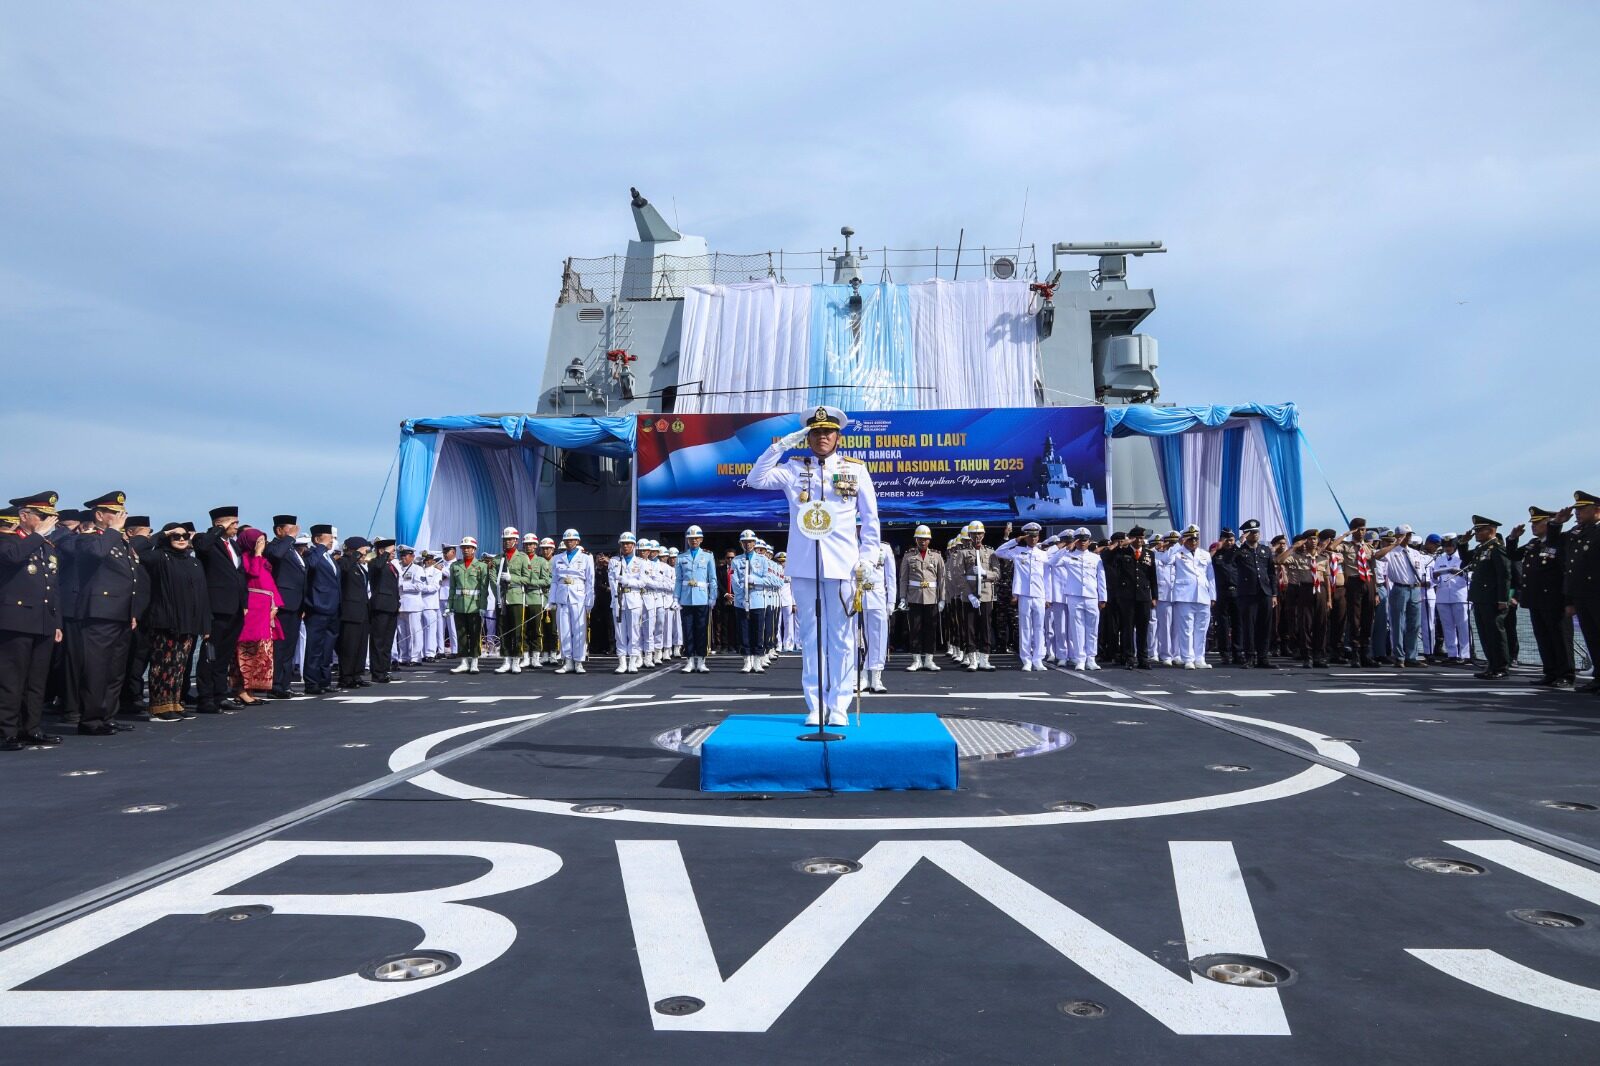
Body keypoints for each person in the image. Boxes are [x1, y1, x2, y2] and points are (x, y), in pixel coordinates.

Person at [747, 403, 881, 727]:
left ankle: (839, 705)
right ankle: (816, 704)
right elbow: (755, 478)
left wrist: (867, 560)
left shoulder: (855, 470)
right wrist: (782, 444)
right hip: (805, 565)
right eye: (816, 432)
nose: (823, 437)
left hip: (843, 567)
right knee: (810, 637)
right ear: (808, 437)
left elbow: (872, 521)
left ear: (838, 436)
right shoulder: (793, 469)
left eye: (828, 432)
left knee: (841, 638)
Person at [58, 491, 144, 734]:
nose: (121, 516)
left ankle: (107, 715)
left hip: (121, 613)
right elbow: (95, 554)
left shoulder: (117, 540)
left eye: (122, 512)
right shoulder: (89, 538)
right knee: (96, 668)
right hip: (99, 612)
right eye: (116, 513)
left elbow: (131, 578)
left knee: (115, 670)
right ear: (99, 515)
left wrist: (132, 610)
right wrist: (113, 530)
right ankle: (91, 719)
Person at [0, 492, 64, 749]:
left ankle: (31, 727)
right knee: (11, 679)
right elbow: (11, 558)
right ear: (24, 516)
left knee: (37, 680)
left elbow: (52, 586)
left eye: (51, 517)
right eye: (44, 516)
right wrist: (38, 535)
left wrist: (57, 621)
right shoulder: (7, 540)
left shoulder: (45, 546)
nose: (49, 521)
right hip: (16, 619)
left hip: (43, 620)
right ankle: (6, 731)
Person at [1507, 507, 1573, 686]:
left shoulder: (1560, 541)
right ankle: (1550, 672)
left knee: (1559, 638)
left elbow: (1565, 571)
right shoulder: (1533, 544)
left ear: (1550, 522)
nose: (1534, 526)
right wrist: (1513, 538)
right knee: (1543, 637)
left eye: (1538, 523)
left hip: (1554, 599)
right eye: (1533, 523)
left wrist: (1568, 599)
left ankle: (1565, 674)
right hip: (1535, 599)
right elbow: (1512, 555)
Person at [192, 506, 249, 713]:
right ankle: (206, 697)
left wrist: (244, 603)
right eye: (233, 523)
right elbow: (203, 548)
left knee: (224, 655)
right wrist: (217, 530)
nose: (236, 527)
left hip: (234, 606)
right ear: (221, 524)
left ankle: (220, 694)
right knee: (210, 654)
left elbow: (239, 574)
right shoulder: (205, 539)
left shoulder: (233, 545)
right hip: (216, 606)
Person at [233, 527, 283, 704]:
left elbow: (269, 584)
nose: (262, 544)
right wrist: (258, 553)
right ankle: (241, 689)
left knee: (261, 652)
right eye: (258, 541)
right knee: (246, 649)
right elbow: (252, 574)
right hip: (252, 611)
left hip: (265, 610)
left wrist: (276, 604)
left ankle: (252, 688)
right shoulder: (245, 559)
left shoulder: (263, 561)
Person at [1458, 516, 1512, 680]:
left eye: (1480, 530)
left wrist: (1503, 598)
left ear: (1491, 531)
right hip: (1480, 597)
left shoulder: (1497, 548)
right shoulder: (1482, 549)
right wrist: (1463, 544)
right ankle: (1492, 664)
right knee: (1485, 633)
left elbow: (1504, 575)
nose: (1476, 534)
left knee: (1495, 633)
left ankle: (1501, 666)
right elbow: (1466, 560)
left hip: (1492, 598)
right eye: (1476, 531)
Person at [1374, 524, 1431, 668]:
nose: (1408, 537)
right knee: (1398, 623)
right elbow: (1377, 556)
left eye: (1410, 535)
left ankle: (1411, 656)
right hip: (1399, 588)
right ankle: (1399, 656)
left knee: (1414, 624)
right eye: (1406, 535)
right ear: (1399, 536)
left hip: (1415, 589)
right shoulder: (1391, 552)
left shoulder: (1415, 553)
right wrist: (1394, 544)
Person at [1049, 528, 1106, 670]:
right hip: (1074, 596)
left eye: (1084, 540)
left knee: (1092, 628)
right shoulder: (1068, 556)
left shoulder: (1095, 558)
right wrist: (1066, 549)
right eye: (1079, 540)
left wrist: (1103, 597)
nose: (1082, 543)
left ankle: (1091, 658)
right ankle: (1080, 658)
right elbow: (1052, 562)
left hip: (1092, 596)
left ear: (1089, 541)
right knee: (1077, 628)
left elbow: (1101, 579)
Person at [995, 522, 1049, 671]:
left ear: (1039, 537)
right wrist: (1016, 540)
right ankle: (1026, 660)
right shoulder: (1017, 551)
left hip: (1039, 594)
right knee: (1025, 628)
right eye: (1030, 536)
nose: (1033, 539)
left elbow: (1047, 578)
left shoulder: (1043, 554)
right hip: (1024, 594)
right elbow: (998, 552)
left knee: (1039, 628)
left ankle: (1038, 659)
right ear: (1026, 537)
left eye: (1035, 536)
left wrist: (1048, 597)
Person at [1104, 526, 1157, 669]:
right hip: (1126, 596)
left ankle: (1143, 658)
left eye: (1142, 538)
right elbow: (1106, 557)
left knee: (1143, 628)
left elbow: (1152, 576)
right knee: (1127, 628)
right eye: (1137, 538)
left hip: (1144, 595)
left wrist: (1154, 596)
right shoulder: (1122, 552)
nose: (1140, 540)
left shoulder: (1148, 554)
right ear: (1131, 538)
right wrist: (1120, 544)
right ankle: (1129, 657)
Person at [264, 515, 305, 699]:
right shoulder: (274, 546)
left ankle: (285, 683)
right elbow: (275, 555)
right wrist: (289, 537)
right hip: (283, 602)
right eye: (290, 529)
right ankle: (275, 684)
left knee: (290, 646)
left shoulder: (292, 550)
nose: (294, 533)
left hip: (296, 603)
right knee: (280, 646)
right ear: (279, 530)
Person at [1565, 490, 1600, 693]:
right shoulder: (1580, 533)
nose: (1577, 513)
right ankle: (1598, 677)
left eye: (1582, 509)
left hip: (1597, 593)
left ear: (1596, 510)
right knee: (1592, 637)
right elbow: (1570, 566)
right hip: (1583, 595)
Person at [899, 524, 947, 671]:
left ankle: (929, 660)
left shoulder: (937, 556)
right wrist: (902, 598)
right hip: (915, 597)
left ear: (929, 540)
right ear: (916, 539)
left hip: (932, 597)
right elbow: (903, 578)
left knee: (931, 629)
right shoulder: (909, 556)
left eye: (925, 539)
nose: (923, 542)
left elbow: (942, 579)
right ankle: (916, 660)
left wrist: (942, 598)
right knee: (915, 629)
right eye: (920, 539)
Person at [300, 524, 340, 695]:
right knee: (314, 647)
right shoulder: (312, 554)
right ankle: (312, 682)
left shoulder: (329, 557)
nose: (332, 540)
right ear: (317, 539)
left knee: (327, 648)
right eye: (328, 537)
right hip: (318, 607)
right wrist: (320, 546)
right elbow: (312, 566)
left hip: (333, 608)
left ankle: (324, 680)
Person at [1169, 525, 1216, 669]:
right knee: (1186, 629)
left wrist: (1213, 595)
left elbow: (1210, 576)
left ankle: (1199, 658)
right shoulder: (1177, 553)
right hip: (1184, 595)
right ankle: (1188, 658)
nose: (1194, 542)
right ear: (1185, 539)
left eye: (1196, 539)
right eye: (1190, 539)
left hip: (1203, 594)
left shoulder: (1205, 554)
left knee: (1201, 628)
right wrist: (1178, 545)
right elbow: (1165, 560)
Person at [1232, 520, 1277, 668]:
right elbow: (1228, 560)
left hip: (1265, 592)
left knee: (1265, 625)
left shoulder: (1265, 550)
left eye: (1257, 531)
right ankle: (1250, 657)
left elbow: (1271, 573)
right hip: (1247, 593)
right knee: (1249, 625)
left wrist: (1274, 594)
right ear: (1246, 534)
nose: (1255, 534)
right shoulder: (1240, 550)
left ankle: (1263, 657)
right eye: (1251, 532)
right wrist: (1239, 543)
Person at [550, 529, 594, 674]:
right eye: (567, 540)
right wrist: (552, 599)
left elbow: (590, 581)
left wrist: (589, 600)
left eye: (572, 540)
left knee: (579, 630)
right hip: (562, 595)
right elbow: (554, 581)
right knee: (564, 630)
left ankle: (579, 662)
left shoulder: (586, 558)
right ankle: (567, 661)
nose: (569, 542)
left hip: (578, 594)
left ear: (577, 541)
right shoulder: (557, 558)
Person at [676, 525, 716, 673]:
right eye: (691, 538)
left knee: (701, 630)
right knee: (687, 630)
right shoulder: (681, 557)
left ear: (701, 539)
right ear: (687, 540)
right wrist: (676, 597)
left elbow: (712, 578)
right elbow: (678, 580)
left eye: (696, 538)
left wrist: (713, 596)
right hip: (686, 599)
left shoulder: (708, 556)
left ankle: (701, 660)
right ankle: (689, 660)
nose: (694, 541)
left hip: (702, 598)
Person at [493, 528, 533, 674]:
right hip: (502, 597)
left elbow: (527, 578)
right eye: (505, 539)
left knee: (517, 629)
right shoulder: (498, 558)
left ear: (516, 541)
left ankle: (516, 659)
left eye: (510, 539)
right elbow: (492, 577)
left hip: (516, 597)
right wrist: (497, 589)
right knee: (503, 630)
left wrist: (512, 579)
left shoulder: (522, 557)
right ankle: (505, 659)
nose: (507, 542)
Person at [448, 537, 491, 673]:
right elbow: (452, 588)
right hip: (460, 605)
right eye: (464, 547)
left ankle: (474, 662)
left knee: (474, 634)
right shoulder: (455, 566)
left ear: (474, 549)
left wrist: (483, 606)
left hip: (475, 605)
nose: (466, 550)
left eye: (468, 547)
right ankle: (463, 662)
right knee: (461, 634)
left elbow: (484, 589)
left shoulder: (481, 566)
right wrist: (449, 605)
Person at [335, 537, 372, 688]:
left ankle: (357, 674)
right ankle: (346, 676)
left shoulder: (359, 566)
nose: (365, 554)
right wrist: (356, 554)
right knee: (349, 645)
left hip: (362, 610)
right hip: (350, 611)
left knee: (361, 645)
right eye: (363, 550)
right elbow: (344, 569)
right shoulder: (343, 561)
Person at [1430, 533, 1472, 664]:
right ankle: (1452, 654)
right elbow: (1433, 579)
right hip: (1443, 596)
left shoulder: (1463, 558)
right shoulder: (1439, 559)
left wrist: (1458, 573)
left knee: (1463, 626)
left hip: (1459, 595)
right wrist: (1435, 576)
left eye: (1450, 545)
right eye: (1445, 545)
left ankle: (1465, 655)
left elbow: (1470, 576)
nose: (1448, 548)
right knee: (1447, 626)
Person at [860, 543, 895, 691]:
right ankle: (861, 676)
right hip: (857, 596)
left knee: (879, 637)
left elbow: (891, 575)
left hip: (878, 595)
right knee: (858, 638)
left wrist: (891, 600)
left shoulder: (884, 548)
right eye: (858, 526)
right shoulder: (851, 544)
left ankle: (876, 677)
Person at [366, 539, 401, 683]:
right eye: (390, 550)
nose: (393, 553)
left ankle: (385, 670)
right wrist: (384, 553)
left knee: (388, 641)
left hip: (391, 606)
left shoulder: (391, 565)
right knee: (378, 640)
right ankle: (377, 672)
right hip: (380, 605)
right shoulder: (375, 563)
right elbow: (378, 566)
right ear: (382, 551)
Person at [396, 546, 427, 666]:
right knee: (402, 633)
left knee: (415, 632)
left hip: (413, 605)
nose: (403, 558)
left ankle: (415, 657)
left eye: (405, 555)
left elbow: (420, 587)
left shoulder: (417, 569)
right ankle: (404, 656)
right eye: (401, 555)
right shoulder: (398, 568)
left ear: (412, 557)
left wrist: (403, 585)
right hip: (400, 605)